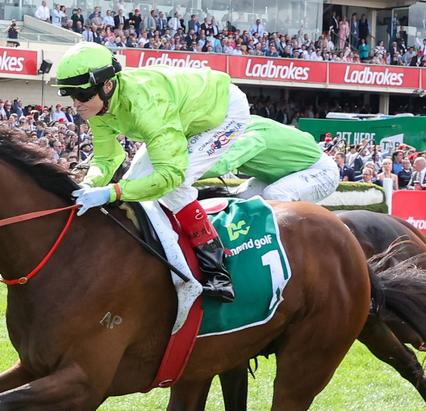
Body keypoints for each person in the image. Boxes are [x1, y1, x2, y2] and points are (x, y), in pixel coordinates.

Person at [54, 42, 252, 301]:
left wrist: (111, 192)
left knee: (172, 187)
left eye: (82, 96)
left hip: (224, 112)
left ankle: (217, 273)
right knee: (133, 183)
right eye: (71, 96)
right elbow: (107, 157)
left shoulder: (145, 105)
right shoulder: (98, 107)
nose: (76, 104)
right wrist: (89, 186)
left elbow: (170, 175)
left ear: (108, 86)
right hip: (183, 115)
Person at [202, 116, 339, 202]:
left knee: (274, 195)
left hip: (321, 171)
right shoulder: (238, 122)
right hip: (286, 172)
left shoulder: (251, 137)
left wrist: (183, 177)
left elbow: (221, 164)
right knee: (238, 199)